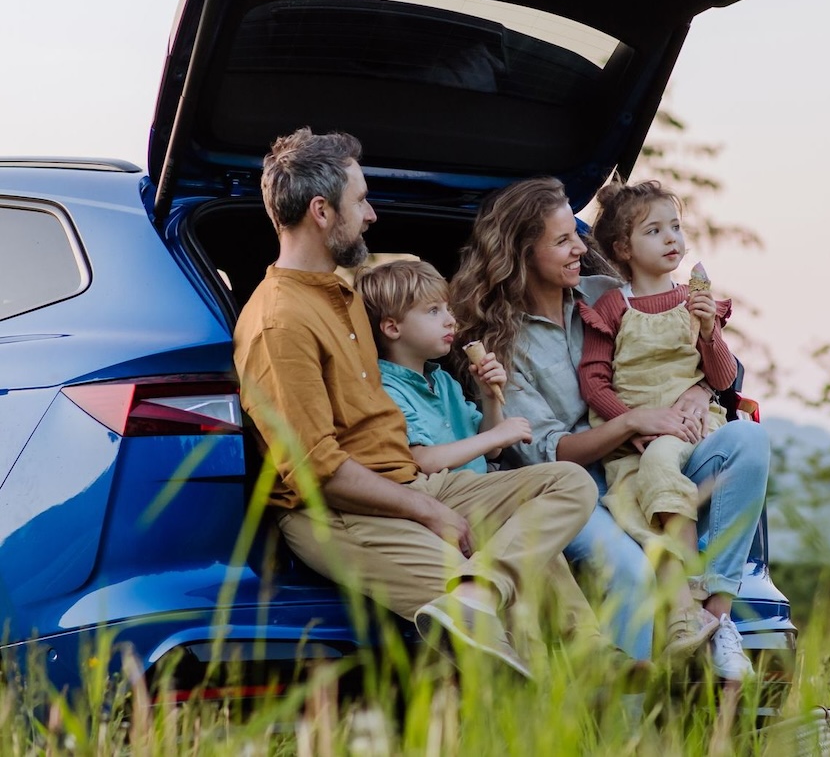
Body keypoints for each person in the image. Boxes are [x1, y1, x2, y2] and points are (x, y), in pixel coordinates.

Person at [232, 129, 602, 679]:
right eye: (360, 200)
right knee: (492, 639)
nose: (372, 214)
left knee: (569, 483)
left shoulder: (341, 295)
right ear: (321, 211)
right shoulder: (279, 322)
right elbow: (317, 472)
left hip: (411, 482)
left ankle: (497, 600)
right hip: (342, 511)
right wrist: (429, 511)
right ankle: (523, 653)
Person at [450, 177, 771, 681]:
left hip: (657, 460)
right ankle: (629, 720)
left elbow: (703, 366)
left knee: (748, 439)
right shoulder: (502, 344)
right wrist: (632, 421)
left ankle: (714, 619)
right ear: (522, 253)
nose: (581, 246)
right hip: (575, 487)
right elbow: (545, 454)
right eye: (562, 241)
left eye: (575, 234)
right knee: (629, 571)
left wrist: (699, 393)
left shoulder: (607, 294)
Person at [576, 179, 735, 655]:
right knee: (635, 514)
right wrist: (634, 421)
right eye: (654, 231)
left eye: (676, 227)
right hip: (635, 434)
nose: (672, 239)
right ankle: (678, 622)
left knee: (662, 465)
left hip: (687, 426)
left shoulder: (695, 301)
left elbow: (722, 378)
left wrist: (708, 330)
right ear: (623, 248)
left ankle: (687, 598)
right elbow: (594, 381)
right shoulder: (613, 306)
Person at [358, 258, 532, 476]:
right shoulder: (387, 389)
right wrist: (497, 435)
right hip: (443, 495)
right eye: (433, 311)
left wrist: (489, 397)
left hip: (480, 486)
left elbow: (492, 452)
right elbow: (422, 461)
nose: (450, 320)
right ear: (393, 328)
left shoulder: (444, 381)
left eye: (448, 309)